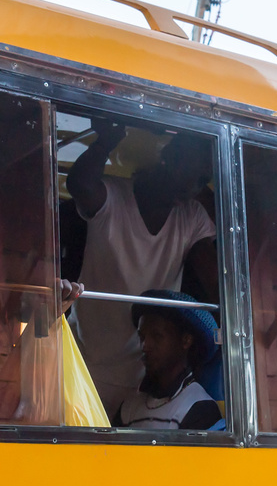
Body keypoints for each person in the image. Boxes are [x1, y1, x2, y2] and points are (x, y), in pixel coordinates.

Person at [66, 121, 218, 410]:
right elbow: (79, 184)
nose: (191, 186)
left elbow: (215, 284)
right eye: (187, 171)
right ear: (167, 160)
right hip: (84, 366)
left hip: (147, 379)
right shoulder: (113, 198)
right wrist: (106, 140)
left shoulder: (192, 217)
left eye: (201, 180)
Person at [110, 290, 223, 430]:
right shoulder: (129, 407)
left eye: (157, 336)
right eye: (142, 337)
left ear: (186, 341)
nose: (145, 346)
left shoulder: (200, 408)